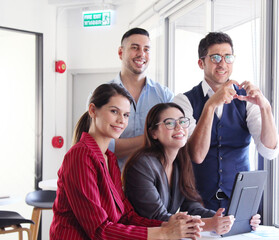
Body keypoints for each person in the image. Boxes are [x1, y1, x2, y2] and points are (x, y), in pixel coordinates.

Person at [50, 83, 202, 240]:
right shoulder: (80, 155)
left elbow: (126, 216)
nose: (121, 120)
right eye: (114, 111)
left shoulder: (109, 157)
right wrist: (164, 233)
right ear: (93, 110)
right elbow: (98, 230)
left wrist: (167, 224)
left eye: (126, 115)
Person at [173, 32, 279, 211]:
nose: (222, 63)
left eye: (228, 57)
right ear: (201, 63)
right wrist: (210, 106)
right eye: (215, 57)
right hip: (197, 202)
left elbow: (269, 152)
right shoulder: (183, 101)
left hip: (241, 202)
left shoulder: (247, 99)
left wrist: (265, 107)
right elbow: (196, 155)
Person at [123, 102, 260, 235]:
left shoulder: (180, 162)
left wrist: (227, 219)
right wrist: (210, 224)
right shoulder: (141, 165)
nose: (179, 127)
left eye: (182, 121)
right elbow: (157, 217)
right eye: (170, 123)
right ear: (153, 133)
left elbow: (191, 205)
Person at [107, 27, 174, 170]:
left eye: (146, 49)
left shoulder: (165, 96)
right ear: (121, 52)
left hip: (153, 183)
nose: (141, 54)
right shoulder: (103, 95)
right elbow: (103, 147)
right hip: (113, 185)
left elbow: (172, 140)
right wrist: (155, 136)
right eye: (135, 48)